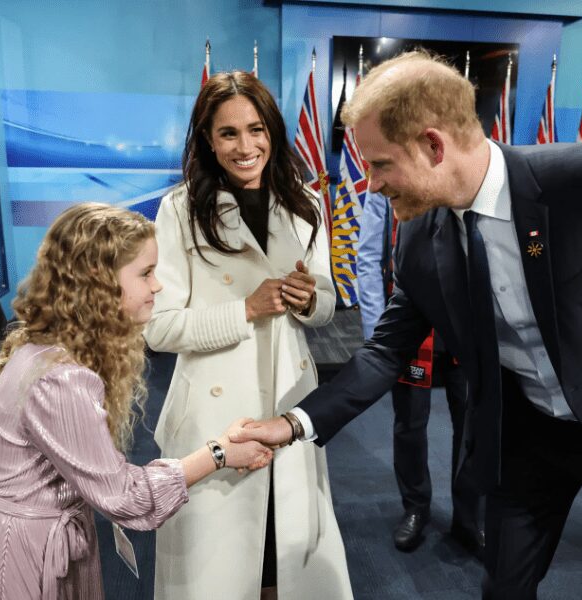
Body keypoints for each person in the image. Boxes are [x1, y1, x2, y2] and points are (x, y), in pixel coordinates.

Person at [233, 50, 582, 599]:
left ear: (434, 145)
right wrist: (293, 423)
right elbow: (386, 351)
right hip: (528, 440)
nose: (371, 185)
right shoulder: (419, 240)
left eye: (380, 164)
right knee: (502, 589)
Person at [0, 203, 273, 600]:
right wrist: (219, 453)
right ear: (99, 282)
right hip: (18, 561)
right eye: (146, 273)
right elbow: (125, 497)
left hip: (11, 543)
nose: (157, 286)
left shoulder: (45, 350)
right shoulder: (62, 378)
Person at [143, 71, 353, 600]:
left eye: (256, 129)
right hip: (215, 420)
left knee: (286, 561)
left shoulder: (305, 203)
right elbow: (159, 328)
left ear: (272, 132)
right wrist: (245, 310)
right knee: (220, 568)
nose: (245, 146)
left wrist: (310, 300)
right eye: (228, 133)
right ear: (208, 140)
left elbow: (326, 302)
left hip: (288, 404)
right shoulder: (180, 209)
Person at [357, 190, 482, 552]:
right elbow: (368, 259)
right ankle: (415, 508)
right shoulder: (390, 185)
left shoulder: (465, 181)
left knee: (472, 426)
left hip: (465, 326)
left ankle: (469, 517)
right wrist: (379, 335)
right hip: (411, 328)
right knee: (410, 425)